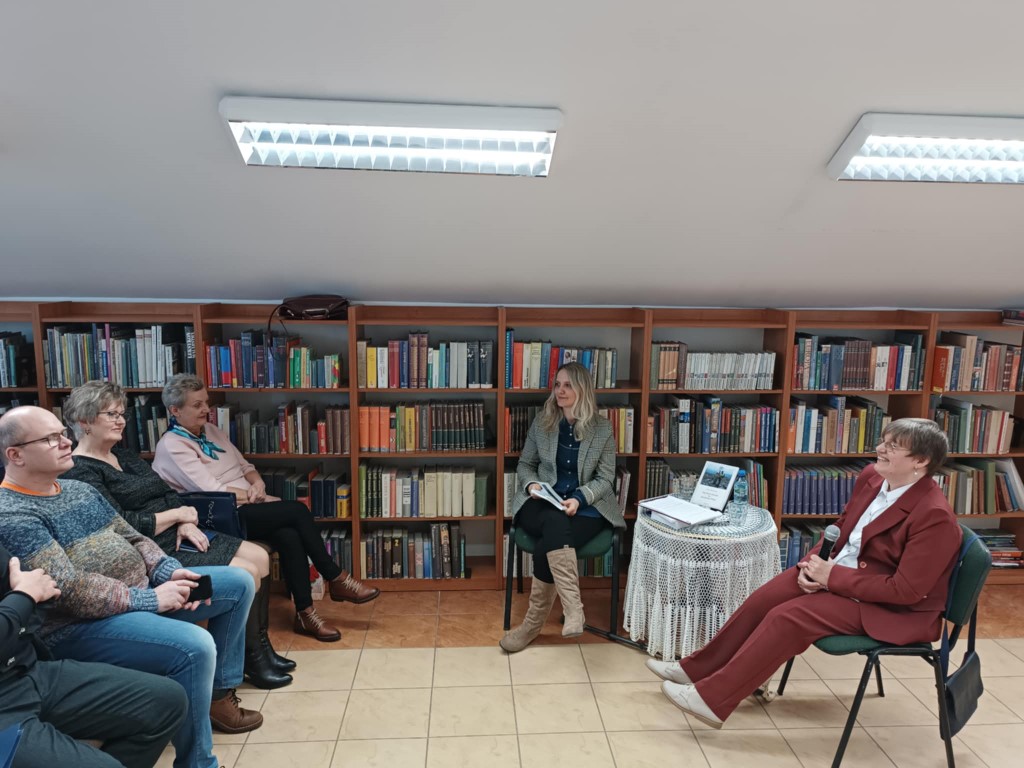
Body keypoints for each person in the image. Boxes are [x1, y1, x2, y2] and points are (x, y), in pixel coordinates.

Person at [646, 417, 962, 728]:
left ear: (921, 461)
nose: (880, 448)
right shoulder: (872, 477)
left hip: (889, 608)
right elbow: (841, 528)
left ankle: (712, 700)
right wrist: (813, 565)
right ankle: (697, 669)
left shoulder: (933, 515)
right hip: (839, 572)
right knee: (765, 598)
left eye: (892, 447)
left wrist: (831, 577)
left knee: (789, 617)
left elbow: (905, 591)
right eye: (883, 441)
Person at [0, 405, 262, 768]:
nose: (66, 442)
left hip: (140, 595)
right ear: (15, 455)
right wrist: (151, 600)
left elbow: (134, 537)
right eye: (51, 438)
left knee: (237, 584)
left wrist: (168, 572)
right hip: (81, 626)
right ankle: (199, 761)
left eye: (63, 433)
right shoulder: (12, 513)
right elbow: (69, 590)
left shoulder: (77, 489)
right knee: (195, 645)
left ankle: (218, 694)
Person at [60, 380, 292, 690]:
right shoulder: (80, 470)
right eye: (111, 414)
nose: (121, 421)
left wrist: (185, 521)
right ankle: (250, 658)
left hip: (180, 533)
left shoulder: (124, 456)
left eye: (122, 414)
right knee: (247, 572)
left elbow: (168, 493)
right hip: (153, 548)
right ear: (85, 421)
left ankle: (259, 648)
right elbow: (123, 524)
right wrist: (178, 516)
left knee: (261, 557)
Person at [152, 374, 379, 643]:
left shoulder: (210, 430)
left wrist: (258, 484)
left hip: (246, 505)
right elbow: (213, 491)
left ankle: (306, 614)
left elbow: (245, 466)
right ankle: (335, 576)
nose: (206, 409)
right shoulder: (173, 446)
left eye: (206, 402)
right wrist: (255, 497)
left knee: (289, 535)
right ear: (175, 410)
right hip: (217, 517)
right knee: (297, 511)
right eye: (197, 405)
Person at [0, 542, 187, 768]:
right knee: (189, 648)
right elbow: (33, 594)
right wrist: (23, 597)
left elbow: (44, 593)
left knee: (166, 701)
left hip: (26, 671)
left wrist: (17, 612)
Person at [499, 362, 624, 653]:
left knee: (548, 543)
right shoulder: (543, 423)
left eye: (567, 385)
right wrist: (532, 485)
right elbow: (525, 465)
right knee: (554, 523)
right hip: (542, 503)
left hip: (587, 508)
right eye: (557, 385)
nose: (560, 391)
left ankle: (531, 627)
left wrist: (579, 498)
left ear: (583, 390)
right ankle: (573, 608)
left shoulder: (602, 429)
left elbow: (606, 478)